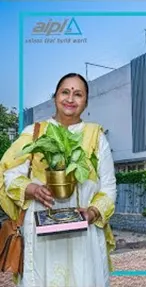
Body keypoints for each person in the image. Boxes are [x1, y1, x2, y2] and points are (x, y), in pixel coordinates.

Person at [0, 73, 116, 287]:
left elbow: (109, 188)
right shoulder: (34, 133)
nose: (70, 99)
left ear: (86, 102)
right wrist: (32, 188)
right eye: (65, 92)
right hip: (41, 233)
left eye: (78, 94)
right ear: (55, 97)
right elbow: (9, 176)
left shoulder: (96, 136)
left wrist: (91, 213)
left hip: (84, 235)